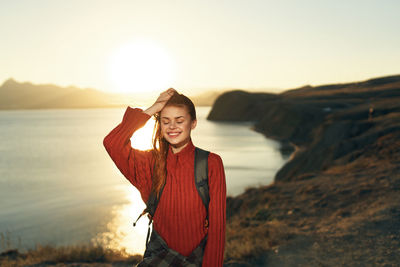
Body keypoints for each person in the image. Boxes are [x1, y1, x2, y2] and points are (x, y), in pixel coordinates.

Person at [103, 88, 226, 266]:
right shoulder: (150, 163)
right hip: (160, 255)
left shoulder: (211, 163)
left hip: (197, 258)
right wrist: (154, 108)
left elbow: (217, 226)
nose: (172, 127)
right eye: (165, 121)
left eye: (179, 120)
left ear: (193, 123)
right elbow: (112, 143)